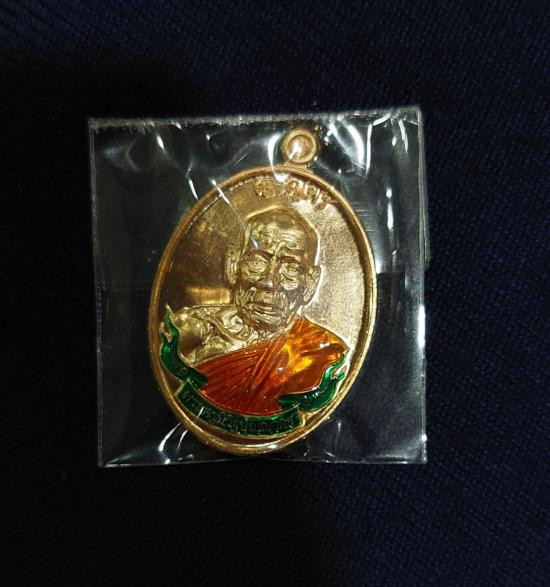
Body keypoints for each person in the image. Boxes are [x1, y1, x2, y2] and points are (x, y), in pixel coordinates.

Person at [163, 207, 347, 416]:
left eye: (291, 268)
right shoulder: (193, 327)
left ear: (310, 283)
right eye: (257, 261)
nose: (269, 282)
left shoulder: (322, 353)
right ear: (233, 265)